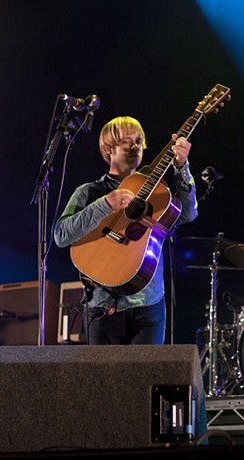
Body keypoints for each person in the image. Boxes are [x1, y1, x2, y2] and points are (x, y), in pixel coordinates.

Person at [53, 115, 198, 345]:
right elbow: (61, 235)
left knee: (146, 379)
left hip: (149, 304)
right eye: (126, 142)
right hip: (103, 305)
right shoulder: (89, 191)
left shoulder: (159, 192)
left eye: (139, 141)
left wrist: (182, 167)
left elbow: (188, 213)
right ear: (108, 149)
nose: (135, 146)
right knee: (103, 380)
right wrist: (106, 203)